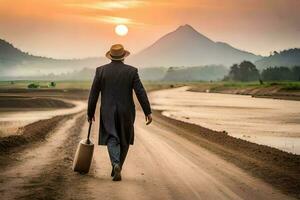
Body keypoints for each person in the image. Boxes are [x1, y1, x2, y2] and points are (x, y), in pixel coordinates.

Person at [87, 44, 152, 181]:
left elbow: (93, 93)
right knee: (125, 139)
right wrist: (148, 111)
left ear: (110, 56)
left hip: (107, 111)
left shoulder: (101, 71)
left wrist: (90, 112)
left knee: (112, 137)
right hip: (126, 111)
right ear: (123, 57)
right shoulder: (132, 71)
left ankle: (115, 164)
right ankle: (118, 166)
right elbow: (140, 92)